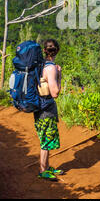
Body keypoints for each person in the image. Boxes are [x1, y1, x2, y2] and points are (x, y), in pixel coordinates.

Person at [35, 39, 63, 181]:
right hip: (46, 108)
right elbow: (55, 92)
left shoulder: (40, 64)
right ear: (57, 50)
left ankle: (47, 166)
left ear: (44, 50)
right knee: (46, 138)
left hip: (38, 106)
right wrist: (59, 76)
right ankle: (42, 170)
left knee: (45, 135)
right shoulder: (51, 68)